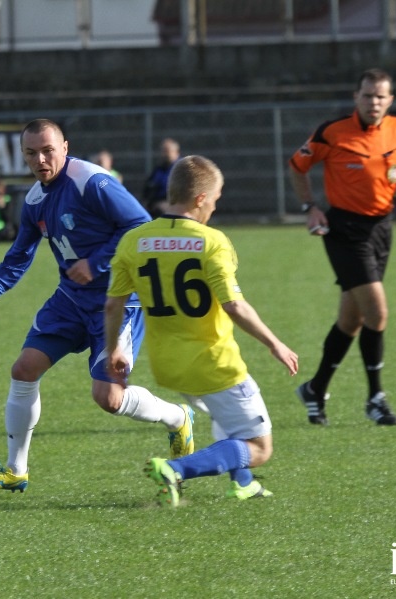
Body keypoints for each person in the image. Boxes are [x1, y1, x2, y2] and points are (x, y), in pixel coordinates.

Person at [0, 118, 194, 494]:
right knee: (24, 369)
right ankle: (15, 470)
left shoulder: (93, 182)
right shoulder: (34, 199)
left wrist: (97, 261)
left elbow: (140, 226)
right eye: (31, 153)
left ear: (66, 147)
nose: (40, 159)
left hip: (118, 300)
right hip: (70, 299)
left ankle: (178, 417)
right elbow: (20, 253)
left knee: (108, 398)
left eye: (47, 150)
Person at [105, 155, 299, 507]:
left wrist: (113, 349)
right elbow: (234, 305)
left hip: (169, 367)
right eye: (216, 197)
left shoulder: (134, 241)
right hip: (214, 364)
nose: (215, 204)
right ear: (200, 199)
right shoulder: (211, 242)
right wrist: (275, 343)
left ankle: (243, 484)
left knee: (228, 420)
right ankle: (176, 469)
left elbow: (113, 304)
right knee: (259, 447)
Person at [287, 68, 396, 426]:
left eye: (381, 96)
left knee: (351, 320)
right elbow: (297, 165)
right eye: (367, 95)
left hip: (382, 228)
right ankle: (375, 398)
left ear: (390, 100)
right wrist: (310, 207)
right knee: (377, 313)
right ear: (356, 98)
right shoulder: (333, 132)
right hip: (344, 230)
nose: (374, 102)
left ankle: (315, 389)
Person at [142, 137, 180, 218]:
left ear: (176, 152)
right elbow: (148, 187)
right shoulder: (158, 169)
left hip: (173, 203)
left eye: (167, 151)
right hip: (156, 204)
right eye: (163, 151)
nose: (164, 154)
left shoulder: (181, 169)